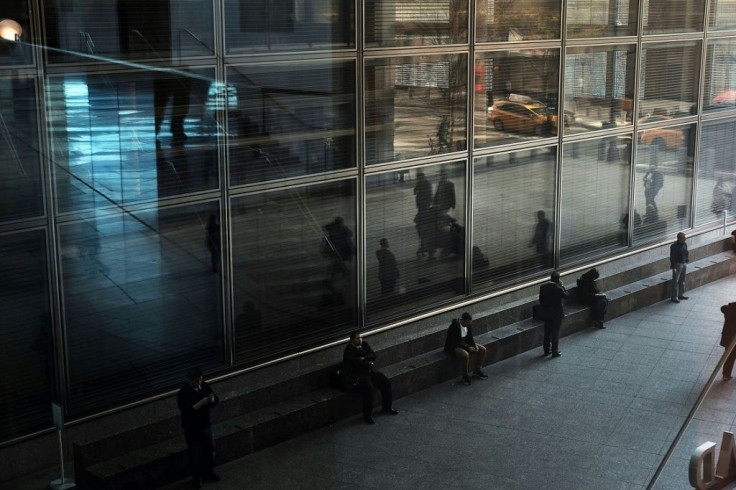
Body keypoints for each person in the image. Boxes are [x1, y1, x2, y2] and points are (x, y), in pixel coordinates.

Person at [177, 367, 220, 489]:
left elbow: (215, 401)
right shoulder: (183, 393)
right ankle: (197, 479)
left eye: (200, 379)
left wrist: (212, 400)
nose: (199, 382)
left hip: (205, 425)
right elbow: (186, 412)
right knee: (195, 455)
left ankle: (209, 472)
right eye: (196, 380)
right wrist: (201, 403)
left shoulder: (205, 386)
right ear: (190, 380)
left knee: (210, 450)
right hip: (191, 429)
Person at [342, 331, 398, 424]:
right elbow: (355, 363)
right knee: (368, 390)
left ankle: (387, 407)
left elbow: (373, 355)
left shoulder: (364, 344)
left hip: (369, 372)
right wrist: (367, 361)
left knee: (385, 382)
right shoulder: (349, 350)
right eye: (357, 338)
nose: (360, 339)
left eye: (360, 337)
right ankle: (367, 416)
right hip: (358, 375)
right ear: (352, 340)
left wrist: (364, 358)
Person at [443, 312, 488, 385]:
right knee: (465, 355)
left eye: (470, 322)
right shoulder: (454, 326)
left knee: (483, 350)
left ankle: (477, 370)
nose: (469, 324)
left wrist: (474, 345)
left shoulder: (468, 325)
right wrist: (467, 348)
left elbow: (470, 337)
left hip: (465, 344)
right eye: (468, 322)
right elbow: (454, 342)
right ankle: (465, 375)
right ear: (463, 320)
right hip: (454, 346)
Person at [539, 271, 570, 357]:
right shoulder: (558, 288)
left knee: (547, 332)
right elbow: (567, 296)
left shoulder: (543, 287)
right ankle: (555, 351)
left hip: (547, 312)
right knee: (555, 332)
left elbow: (541, 300)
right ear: (558, 279)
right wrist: (562, 286)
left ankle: (546, 351)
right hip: (556, 313)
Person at [670, 232, 689, 303]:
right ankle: (674, 297)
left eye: (685, 237)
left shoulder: (685, 244)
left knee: (682, 280)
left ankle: (681, 294)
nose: (685, 238)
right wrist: (674, 267)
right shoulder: (674, 246)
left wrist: (687, 260)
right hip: (677, 265)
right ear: (679, 238)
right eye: (683, 237)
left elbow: (686, 252)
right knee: (675, 281)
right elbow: (672, 257)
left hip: (683, 263)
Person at [720, 302, 736, 380]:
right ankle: (726, 374)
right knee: (730, 355)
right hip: (731, 337)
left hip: (729, 337)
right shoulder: (732, 306)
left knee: (729, 356)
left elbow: (723, 308)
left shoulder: (731, 306)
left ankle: (726, 374)